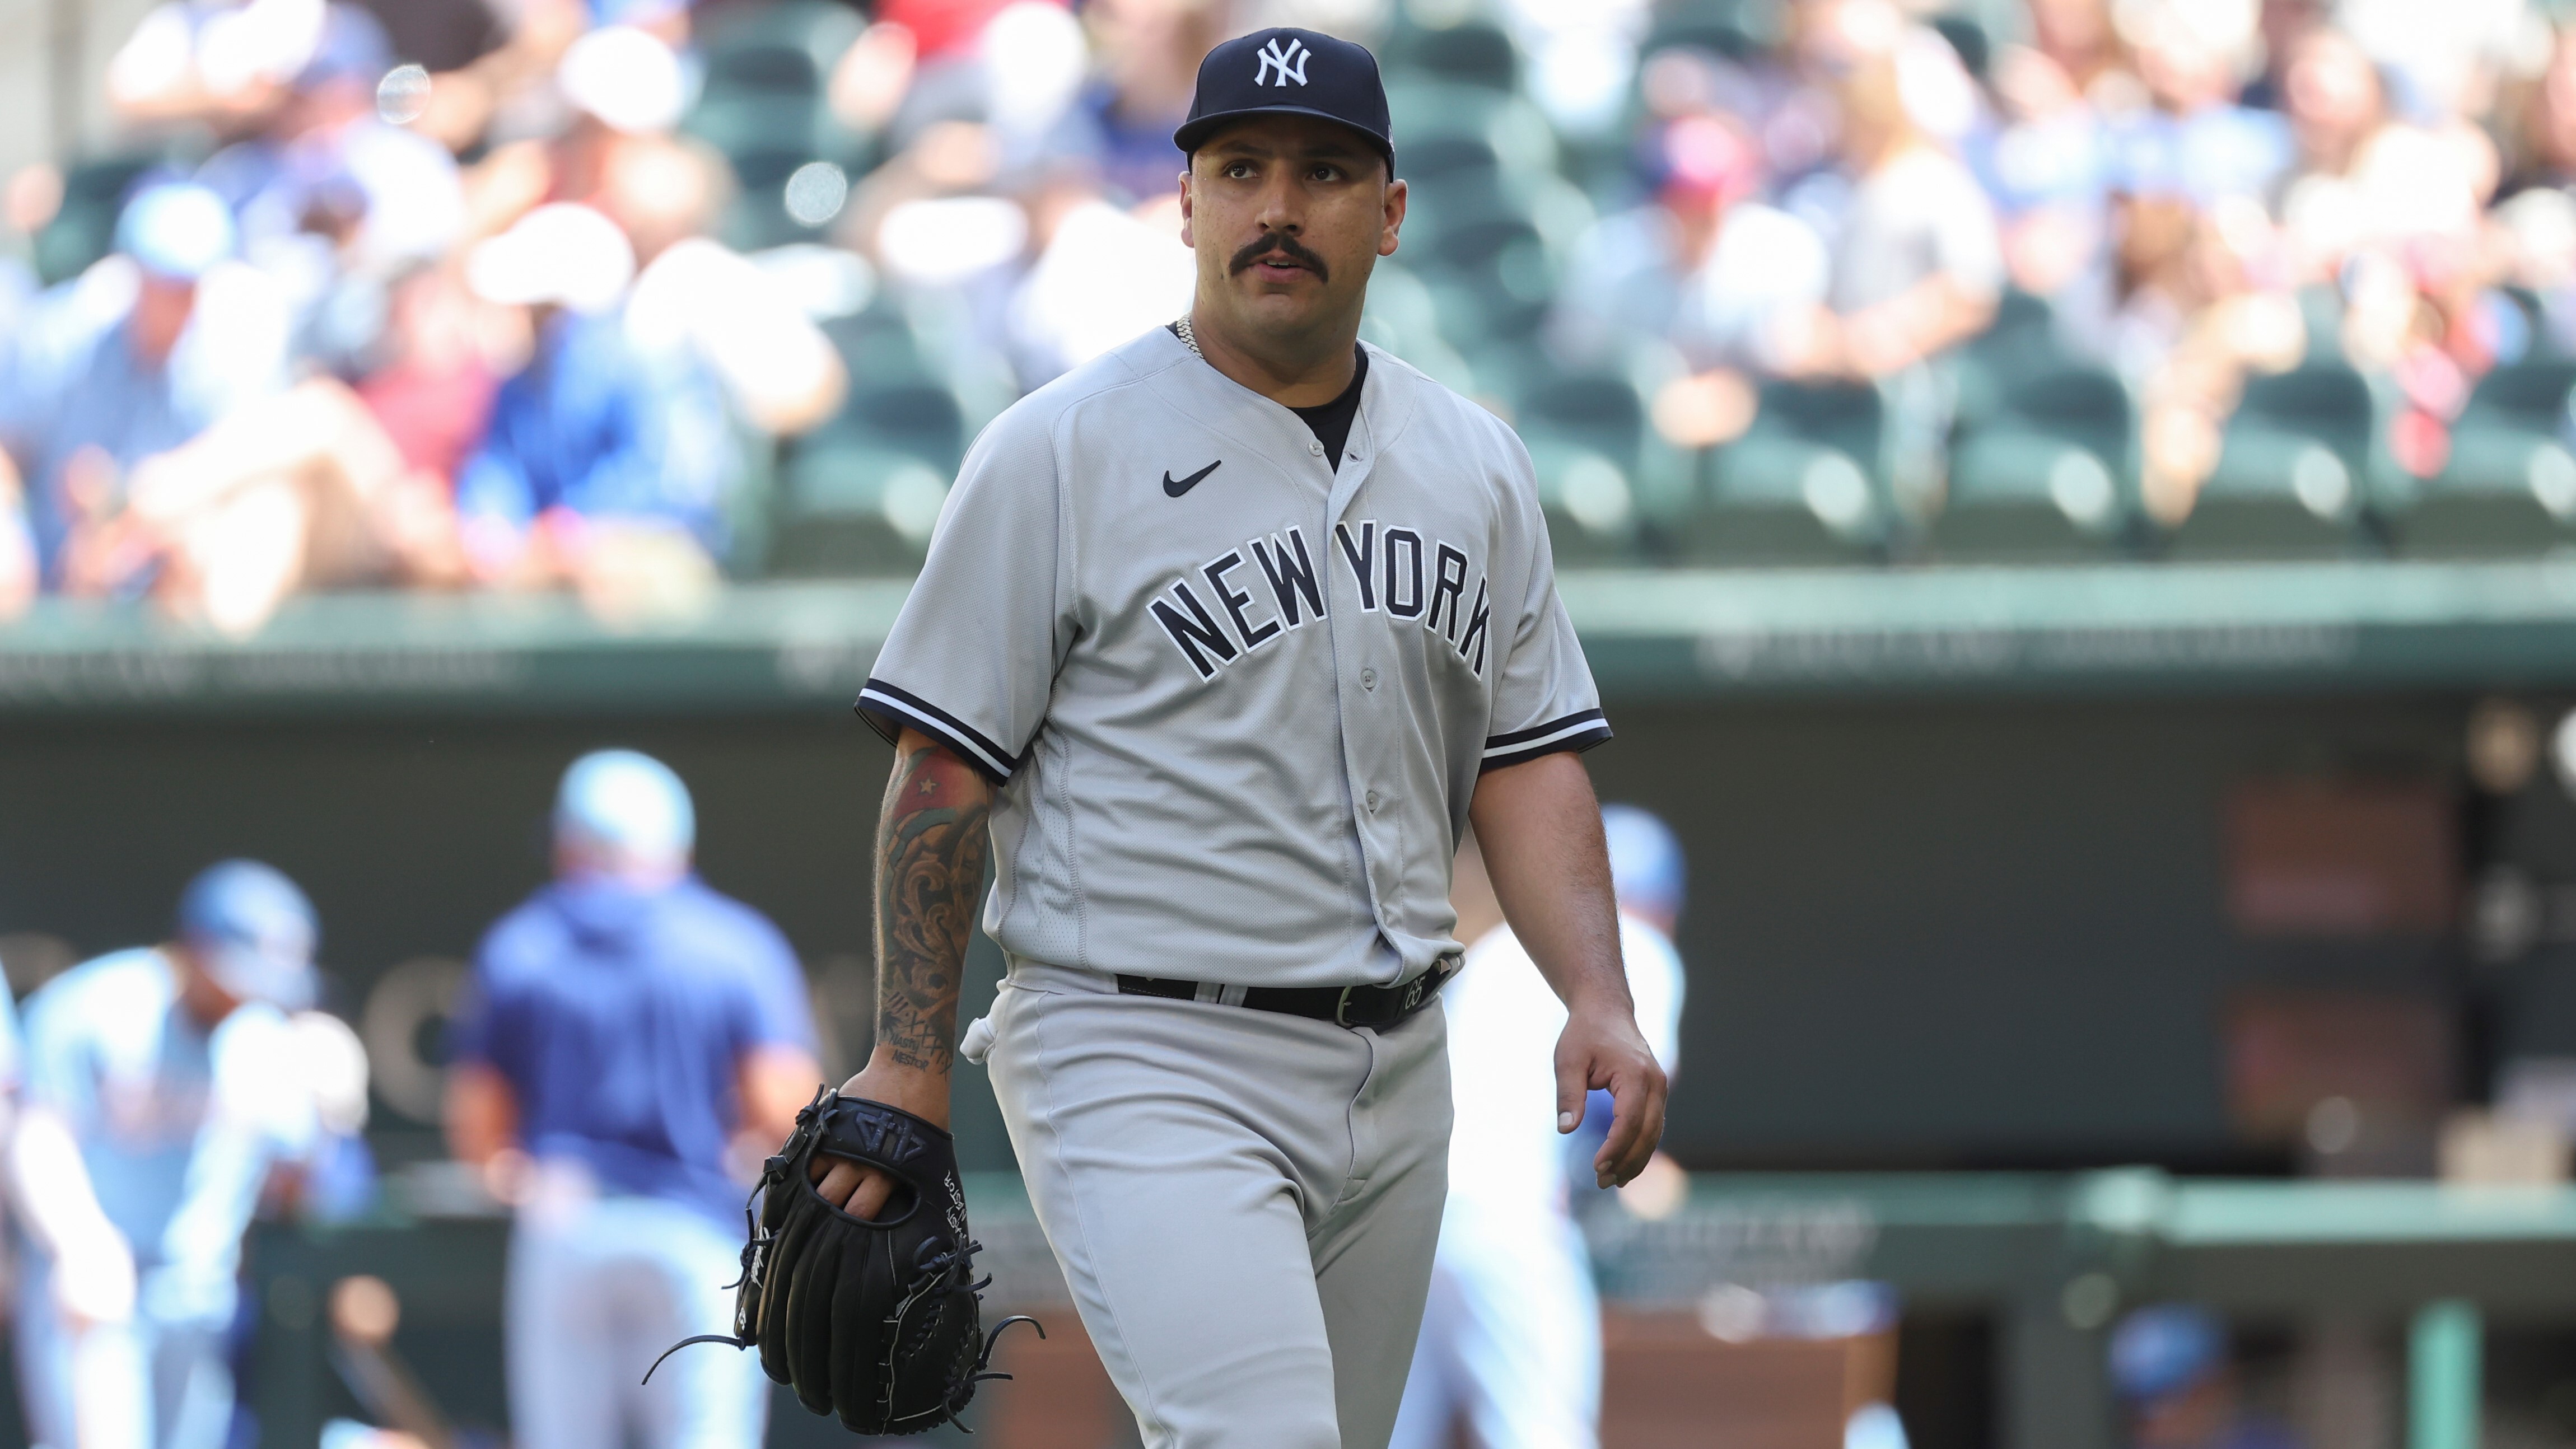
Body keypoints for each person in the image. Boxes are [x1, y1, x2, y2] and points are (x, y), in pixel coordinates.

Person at [820, 27, 1668, 1449]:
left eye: (1323, 172)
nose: (1277, 206)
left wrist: (1598, 992)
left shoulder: (1473, 460)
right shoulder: (1056, 449)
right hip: (1141, 1043)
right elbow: (944, 766)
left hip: (1400, 1056)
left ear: (1389, 212)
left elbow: (1524, 755)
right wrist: (908, 1057)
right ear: (1185, 202)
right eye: (1238, 169)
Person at [444, 750, 822, 1449]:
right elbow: (786, 1110)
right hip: (698, 1230)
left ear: (571, 845)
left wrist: (512, 1171)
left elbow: (477, 1126)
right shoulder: (734, 943)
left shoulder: (524, 944)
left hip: (568, 1223)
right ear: (678, 846)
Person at [1388, 807, 1687, 1449]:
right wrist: (1640, 1171)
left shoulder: (1500, 946)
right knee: (1544, 1434)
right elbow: (1618, 1103)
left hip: (1410, 1210)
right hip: (1505, 1215)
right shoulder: (1637, 946)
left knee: (1391, 1431)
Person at [9, 861, 323, 1449]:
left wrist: (329, 1112)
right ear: (195, 949)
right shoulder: (96, 1005)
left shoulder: (264, 1038)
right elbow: (38, 1132)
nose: (245, 992)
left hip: (197, 1295)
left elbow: (293, 1183)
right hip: (102, 1286)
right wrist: (80, 1244)